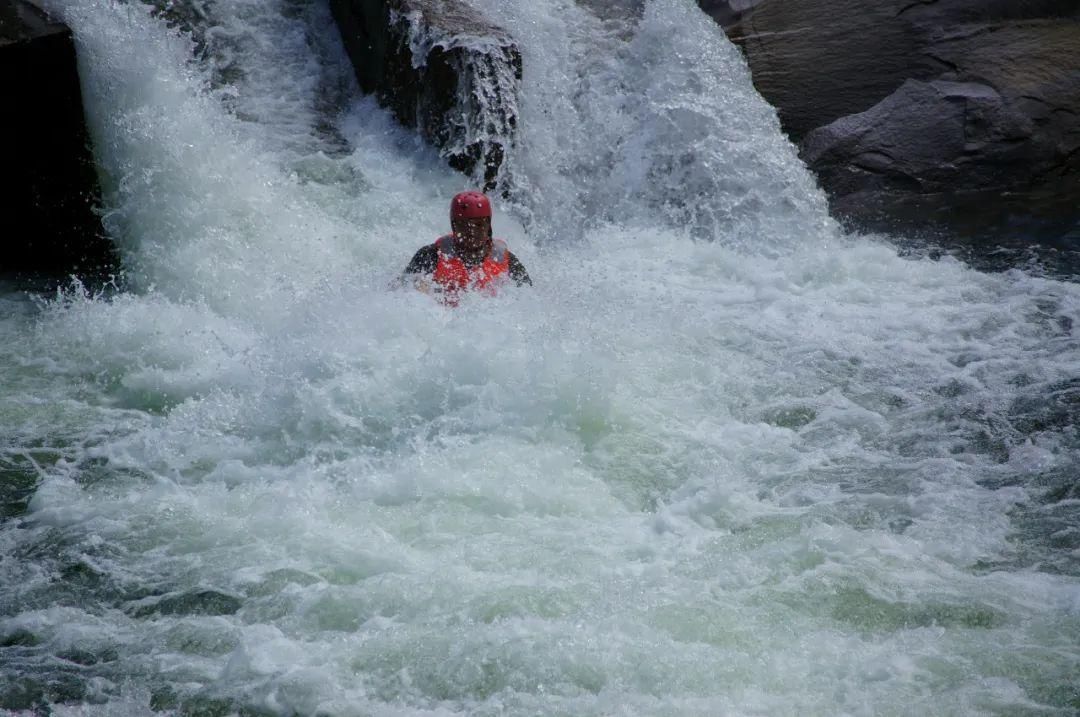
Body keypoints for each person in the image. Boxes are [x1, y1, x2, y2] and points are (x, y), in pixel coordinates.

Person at [397, 191, 531, 304]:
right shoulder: (431, 255)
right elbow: (399, 293)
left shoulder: (506, 261)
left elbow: (529, 300)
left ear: (488, 226)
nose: (471, 232)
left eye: (478, 225)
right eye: (464, 225)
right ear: (454, 226)